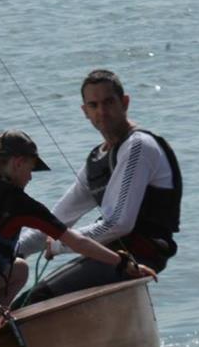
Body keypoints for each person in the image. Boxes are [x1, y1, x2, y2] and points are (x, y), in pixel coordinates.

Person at [16, 69, 182, 305]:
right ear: (85, 111)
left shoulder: (138, 147)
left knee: (34, 300)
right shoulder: (97, 159)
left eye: (109, 102)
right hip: (112, 255)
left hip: (139, 254)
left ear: (125, 103)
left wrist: (61, 245)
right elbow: (55, 222)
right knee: (24, 302)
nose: (102, 112)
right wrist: (15, 249)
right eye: (93, 105)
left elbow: (118, 223)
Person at [0, 129, 157, 307]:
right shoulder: (18, 202)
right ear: (18, 163)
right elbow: (77, 242)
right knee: (21, 268)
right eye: (31, 169)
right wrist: (123, 262)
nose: (31, 177)